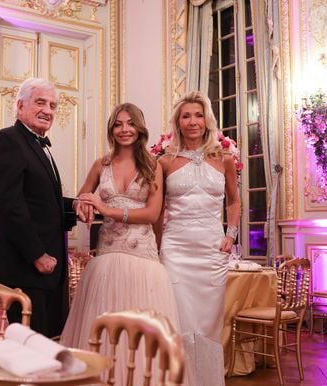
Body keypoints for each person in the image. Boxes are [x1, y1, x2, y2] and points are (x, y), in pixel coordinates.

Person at [60, 103, 187, 385]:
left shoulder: (153, 166)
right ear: (111, 129)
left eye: (130, 123)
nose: (124, 129)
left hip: (143, 261)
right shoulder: (100, 165)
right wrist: (84, 206)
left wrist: (108, 210)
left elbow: (153, 214)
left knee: (142, 338)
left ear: (140, 128)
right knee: (100, 333)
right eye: (118, 124)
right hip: (105, 259)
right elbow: (83, 198)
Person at [0, 78, 81, 338]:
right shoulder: (8, 140)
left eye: (52, 105)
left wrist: (76, 204)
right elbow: (10, 206)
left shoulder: (38, 145)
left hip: (47, 271)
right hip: (25, 269)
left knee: (45, 345)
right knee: (26, 351)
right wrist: (37, 254)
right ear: (20, 106)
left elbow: (42, 202)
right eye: (40, 102)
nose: (47, 110)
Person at [157, 90, 241, 385]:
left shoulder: (225, 159)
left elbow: (233, 201)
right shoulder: (165, 161)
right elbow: (157, 210)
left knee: (208, 323)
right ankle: (179, 379)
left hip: (211, 248)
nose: (193, 121)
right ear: (178, 123)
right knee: (178, 318)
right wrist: (155, 248)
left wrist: (230, 235)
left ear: (207, 120)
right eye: (186, 116)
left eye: (198, 115)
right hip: (175, 248)